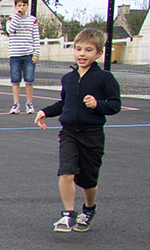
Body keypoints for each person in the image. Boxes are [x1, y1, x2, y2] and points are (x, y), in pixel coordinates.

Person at [35, 28, 121, 232]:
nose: (82, 54)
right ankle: (68, 214)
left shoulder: (105, 78)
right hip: (69, 133)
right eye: (79, 49)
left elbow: (115, 105)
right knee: (66, 172)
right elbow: (64, 103)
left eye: (88, 50)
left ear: (99, 53)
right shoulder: (68, 78)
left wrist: (97, 104)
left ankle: (89, 209)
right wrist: (45, 111)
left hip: (92, 135)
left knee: (88, 181)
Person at [6, 0, 42, 114]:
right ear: (15, 6)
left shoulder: (32, 20)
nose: (21, 7)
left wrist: (36, 54)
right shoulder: (11, 19)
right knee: (15, 80)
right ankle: (16, 103)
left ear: (27, 6)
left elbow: (36, 37)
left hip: (28, 54)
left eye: (24, 5)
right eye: (19, 5)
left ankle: (29, 103)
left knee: (29, 80)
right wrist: (17, 16)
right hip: (15, 54)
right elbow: (10, 30)